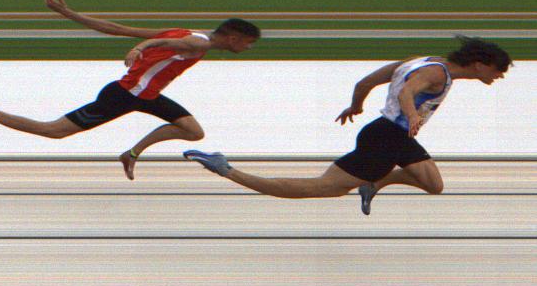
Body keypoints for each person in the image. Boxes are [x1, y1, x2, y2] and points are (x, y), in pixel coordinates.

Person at [0, 0, 258, 179]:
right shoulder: (196, 43)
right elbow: (155, 43)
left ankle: (131, 153)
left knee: (192, 130)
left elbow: (119, 29)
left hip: (145, 96)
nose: (247, 48)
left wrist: (67, 13)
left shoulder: (187, 33)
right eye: (247, 43)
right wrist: (140, 49)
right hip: (124, 96)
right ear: (233, 37)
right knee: (51, 130)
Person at [184, 36, 511, 215]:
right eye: (498, 70)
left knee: (433, 184)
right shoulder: (437, 73)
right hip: (387, 138)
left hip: (389, 133)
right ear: (479, 64)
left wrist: (356, 105)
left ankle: (374, 184)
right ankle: (226, 169)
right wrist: (412, 115)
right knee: (323, 188)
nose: (499, 76)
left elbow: (365, 82)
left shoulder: (421, 60)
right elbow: (408, 91)